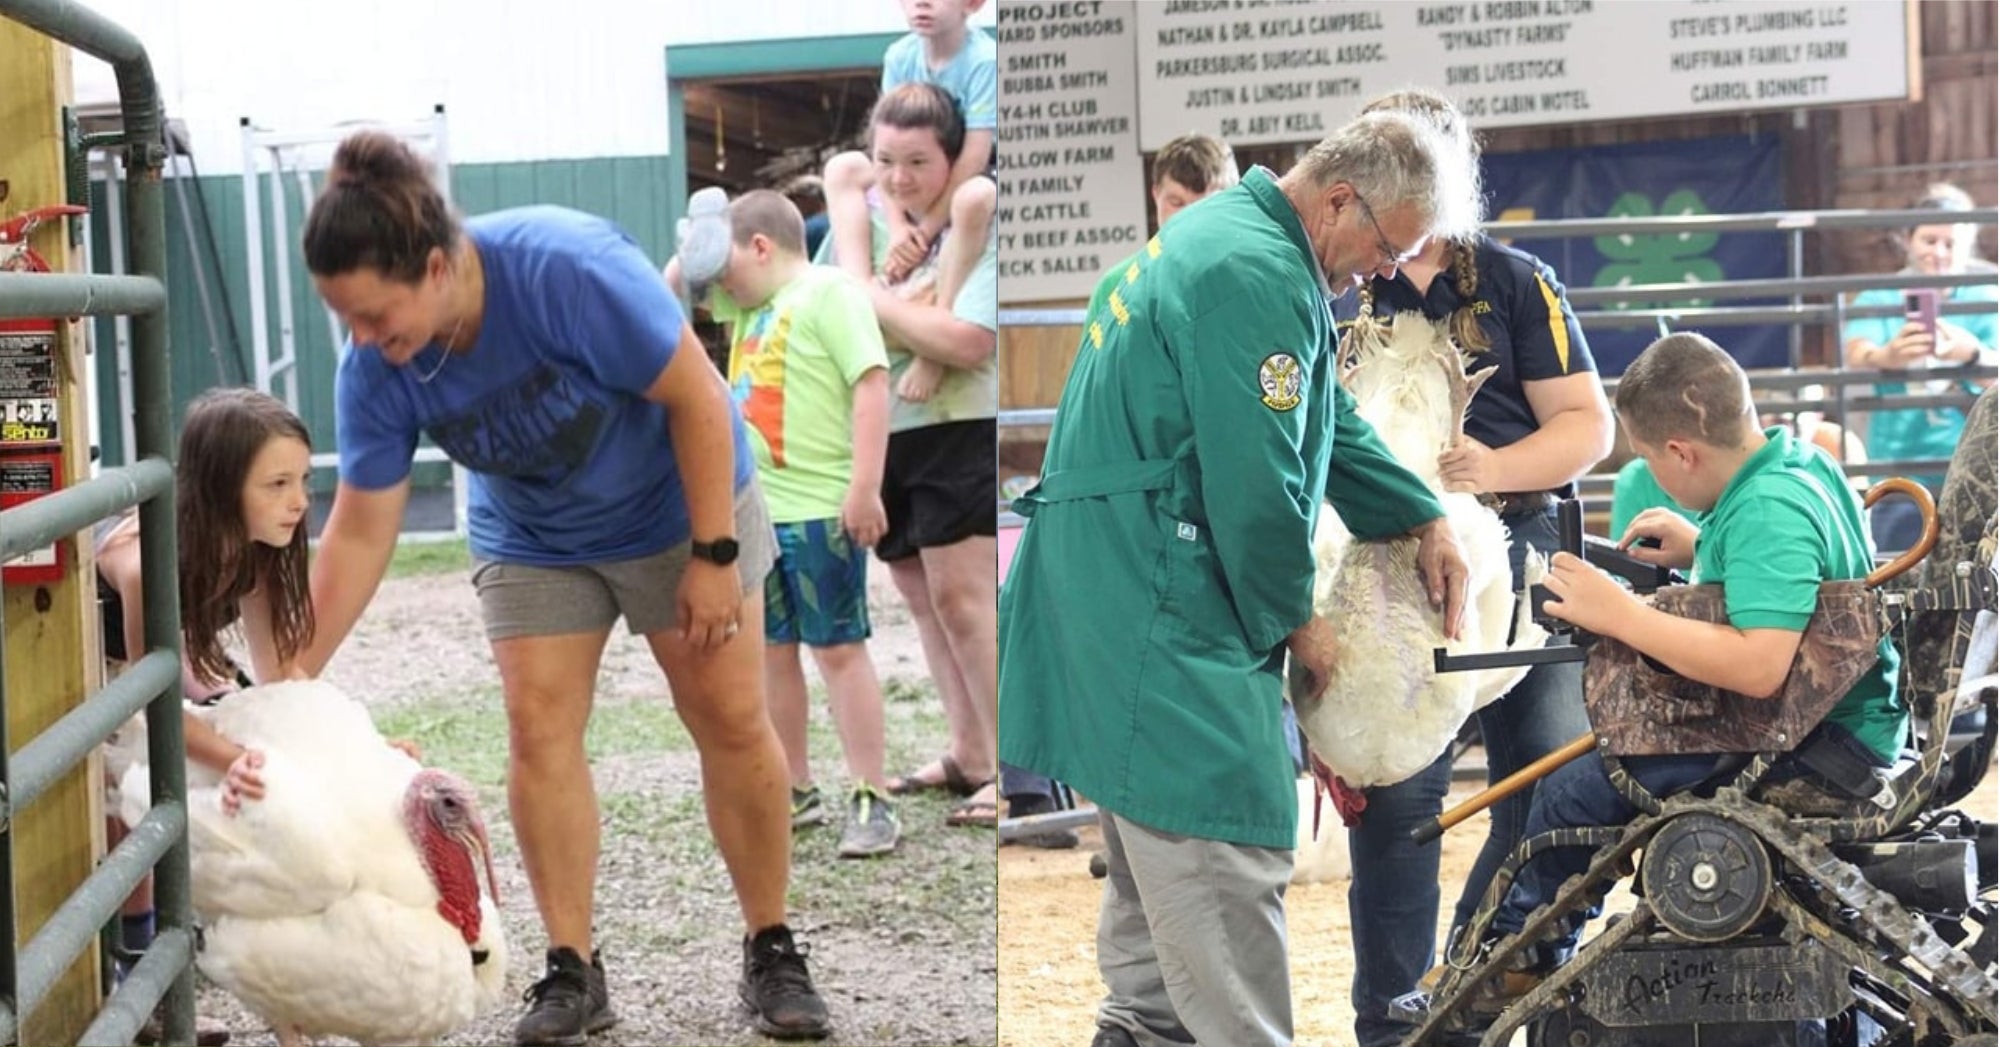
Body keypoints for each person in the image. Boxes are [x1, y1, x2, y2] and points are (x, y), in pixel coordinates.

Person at [295, 131, 828, 1043]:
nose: (369, 344)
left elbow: (699, 397)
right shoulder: (376, 369)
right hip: (536, 531)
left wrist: (710, 555)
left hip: (678, 499)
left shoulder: (563, 271)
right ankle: (572, 966)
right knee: (537, 727)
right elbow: (358, 527)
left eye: (376, 317)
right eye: (349, 323)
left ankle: (770, 943)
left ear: (435, 266)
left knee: (731, 718)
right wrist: (292, 676)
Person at [998, 106, 1481, 1047]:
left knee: (1152, 935)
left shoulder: (1226, 239)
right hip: (1161, 603)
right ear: (1340, 198)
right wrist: (1299, 621)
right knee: (1222, 854)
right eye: (1389, 245)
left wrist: (1418, 511)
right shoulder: (1255, 274)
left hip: (1118, 589)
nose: (1387, 269)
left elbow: (1321, 420)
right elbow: (1258, 485)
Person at [1475, 330, 1904, 1000]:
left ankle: (1517, 961)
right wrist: (1704, 543)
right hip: (1830, 721)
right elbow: (1796, 582)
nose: (1656, 474)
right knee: (1583, 777)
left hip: (1813, 741)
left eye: (1649, 459)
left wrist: (1620, 613)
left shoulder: (1769, 509)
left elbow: (1761, 664)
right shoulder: (1795, 464)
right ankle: (1519, 945)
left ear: (1681, 451)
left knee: (1573, 791)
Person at [1323, 89, 1614, 1047]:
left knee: (1550, 794)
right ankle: (1397, 1021)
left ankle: (1479, 985)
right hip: (1386, 562)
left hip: (1522, 552)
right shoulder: (1338, 292)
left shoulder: (1516, 281)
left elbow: (1586, 425)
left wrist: (1492, 468)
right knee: (1399, 800)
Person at [1003, 130, 1247, 852]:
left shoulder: (1245, 282)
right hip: (1136, 521)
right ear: (1155, 200)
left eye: (1204, 203)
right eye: (1175, 203)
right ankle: (1045, 791)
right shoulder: (1123, 285)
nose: (1188, 218)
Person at [665, 188, 900, 859]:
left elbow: (871, 383)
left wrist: (865, 486)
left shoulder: (832, 294)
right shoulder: (750, 303)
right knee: (773, 652)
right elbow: (665, 295)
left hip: (823, 508)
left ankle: (870, 791)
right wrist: (702, 239)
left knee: (839, 648)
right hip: (757, 515)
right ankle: (796, 785)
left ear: (762, 247)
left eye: (727, 267)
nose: (720, 289)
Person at [96, 387, 319, 1047]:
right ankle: (144, 976)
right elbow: (152, 705)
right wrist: (236, 755)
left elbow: (284, 675)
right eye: (277, 483)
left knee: (237, 743)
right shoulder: (148, 560)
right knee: (131, 785)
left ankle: (191, 945)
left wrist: (353, 745)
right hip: (97, 672)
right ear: (222, 487)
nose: (299, 500)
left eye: (303, 479)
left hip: (168, 659)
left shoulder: (262, 545)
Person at [819, 82, 1002, 831]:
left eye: (919, 161)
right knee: (923, 598)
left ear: (951, 157)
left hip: (958, 424)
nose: (900, 177)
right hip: (891, 426)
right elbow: (831, 307)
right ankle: (970, 751)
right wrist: (907, 314)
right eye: (888, 159)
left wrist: (872, 301)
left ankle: (1009, 768)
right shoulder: (867, 222)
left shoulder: (980, 220)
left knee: (965, 597)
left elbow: (968, 339)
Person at [824, 0, 995, 407]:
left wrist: (927, 227)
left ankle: (938, 329)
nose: (922, 3)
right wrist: (898, 226)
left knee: (976, 196)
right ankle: (858, 283)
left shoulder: (984, 60)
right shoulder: (899, 56)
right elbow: (890, 141)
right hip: (911, 176)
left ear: (972, 4)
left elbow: (974, 153)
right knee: (844, 167)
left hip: (970, 175)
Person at [1842, 182, 1998, 553]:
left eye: (1950, 243)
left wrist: (1970, 352)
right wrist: (1889, 355)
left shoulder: (1988, 296)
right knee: (1896, 572)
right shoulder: (1878, 298)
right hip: (1897, 472)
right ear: (1908, 240)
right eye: (1929, 240)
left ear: (1967, 245)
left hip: (1975, 470)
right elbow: (1857, 351)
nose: (1939, 252)